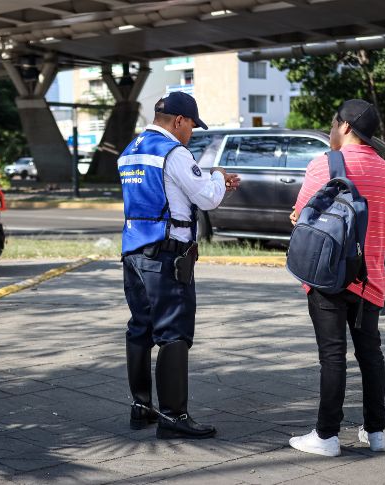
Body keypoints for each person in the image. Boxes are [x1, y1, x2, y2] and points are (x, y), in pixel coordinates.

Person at [119, 91, 240, 439]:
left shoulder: (132, 151)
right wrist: (218, 175)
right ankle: (174, 417)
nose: (191, 133)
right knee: (173, 333)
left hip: (133, 251)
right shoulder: (173, 152)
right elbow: (208, 197)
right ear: (178, 121)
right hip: (167, 256)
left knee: (140, 328)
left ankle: (141, 408)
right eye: (191, 126)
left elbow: (165, 194)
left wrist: (209, 182)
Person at [288, 99, 385, 457]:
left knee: (332, 356)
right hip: (371, 276)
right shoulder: (384, 169)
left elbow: (301, 214)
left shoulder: (323, 164)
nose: (331, 130)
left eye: (334, 124)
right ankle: (376, 432)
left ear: (345, 126)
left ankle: (327, 436)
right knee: (371, 354)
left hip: (329, 275)